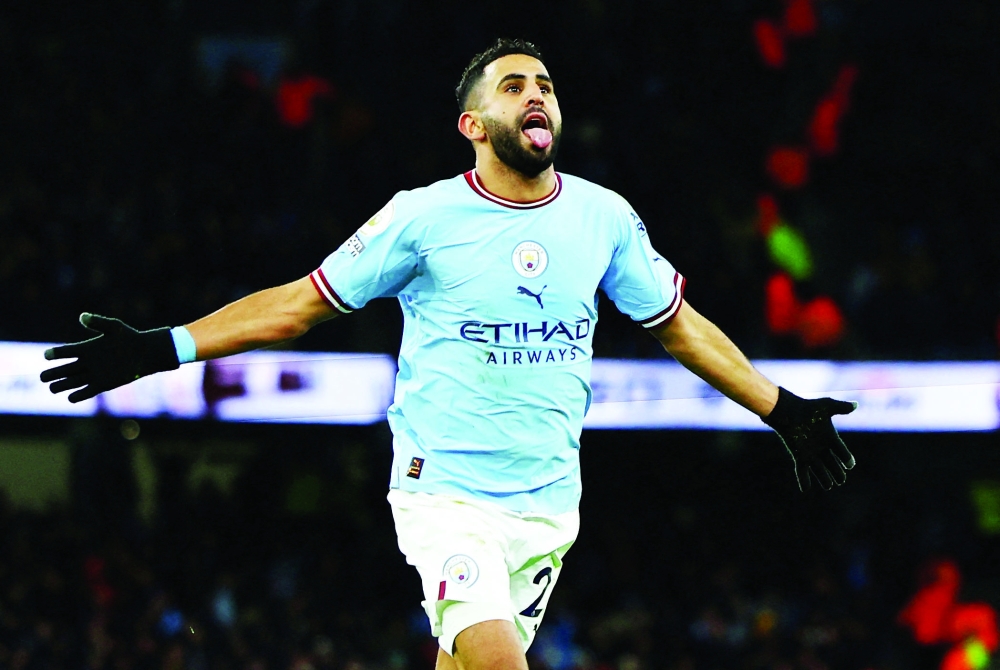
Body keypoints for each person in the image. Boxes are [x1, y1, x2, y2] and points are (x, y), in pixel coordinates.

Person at [41, 38, 857, 670]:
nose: (536, 94)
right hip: (446, 497)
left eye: (545, 84)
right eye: (514, 85)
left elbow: (679, 325)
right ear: (473, 125)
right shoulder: (421, 219)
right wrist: (162, 347)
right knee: (497, 657)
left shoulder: (603, 218)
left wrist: (778, 409)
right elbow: (297, 306)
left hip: (547, 506)